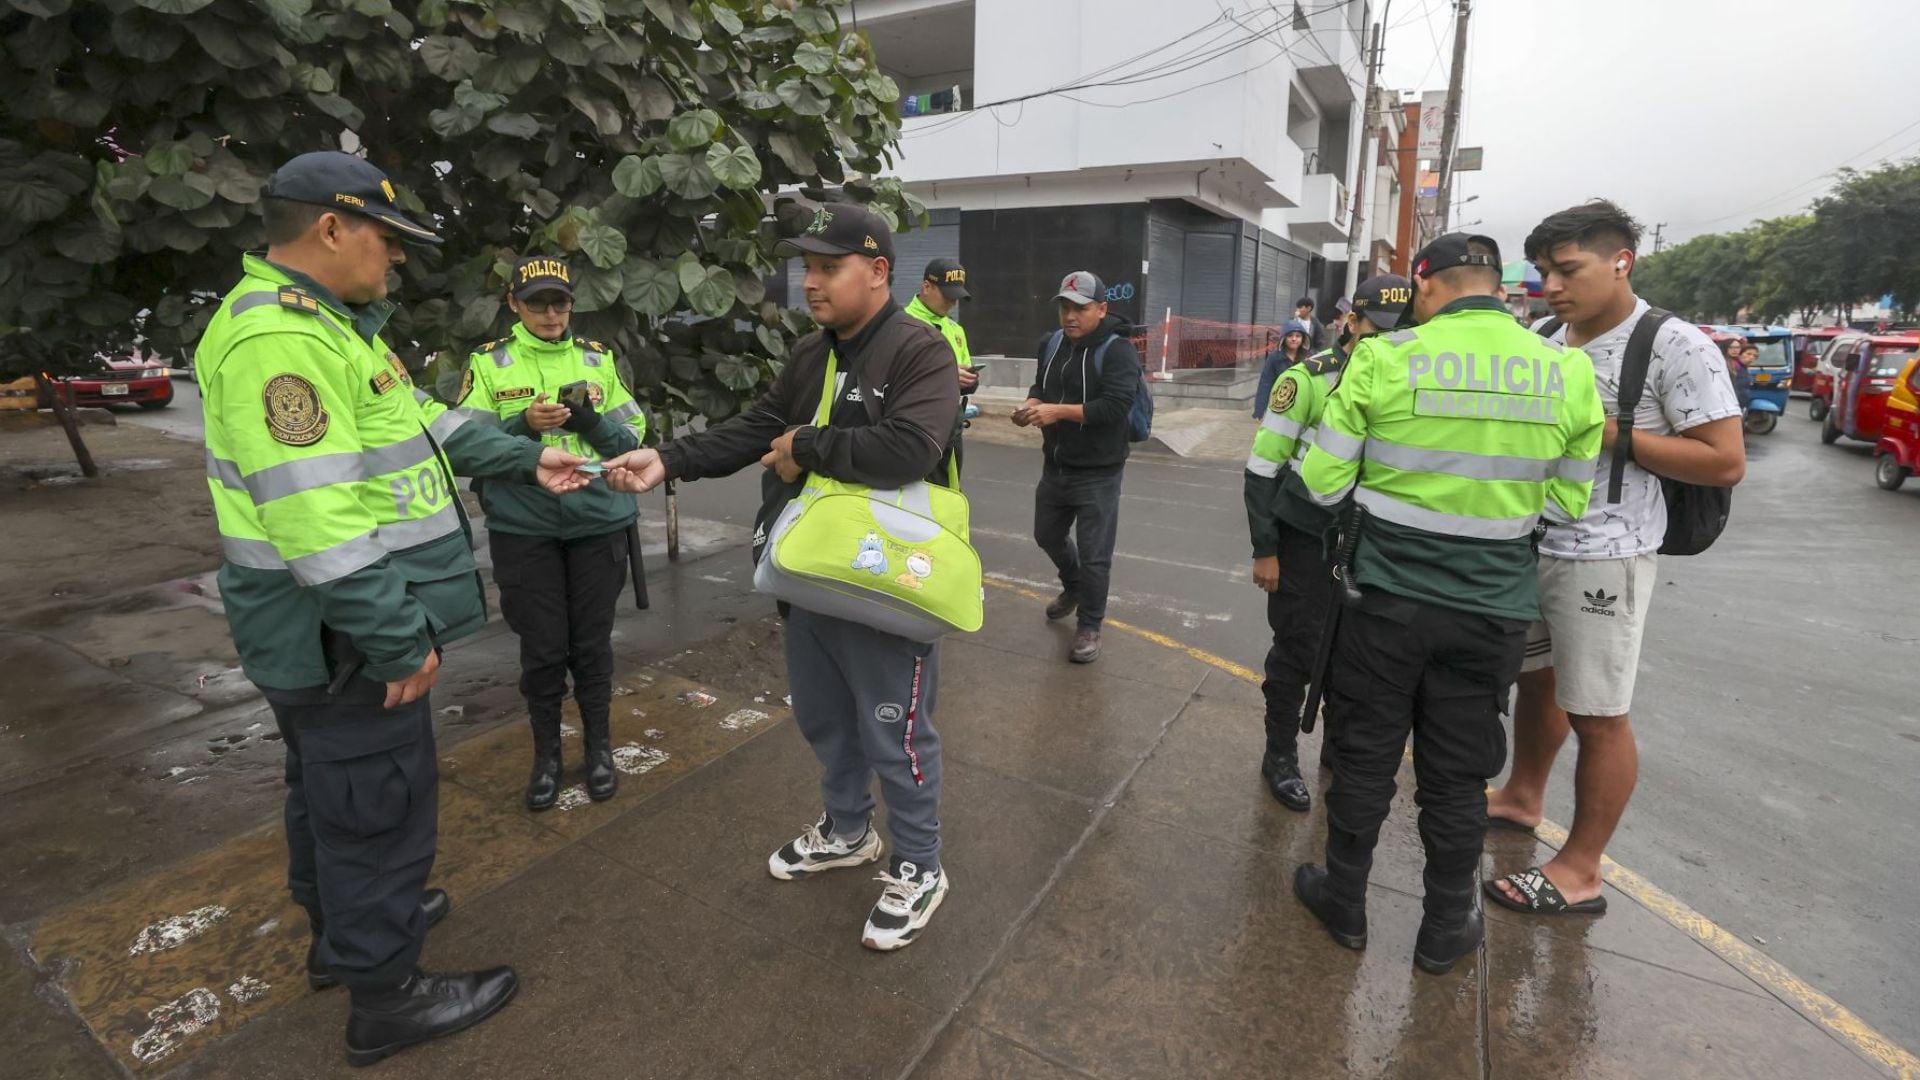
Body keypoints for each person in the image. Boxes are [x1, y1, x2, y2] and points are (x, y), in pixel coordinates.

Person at [195, 151, 592, 1064]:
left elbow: (426, 423)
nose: (398, 257)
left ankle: (346, 937)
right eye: (387, 236)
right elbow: (317, 519)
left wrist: (526, 456)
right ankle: (387, 993)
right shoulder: (280, 343)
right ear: (330, 229)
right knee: (378, 801)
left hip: (323, 636)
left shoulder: (333, 328)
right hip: (341, 634)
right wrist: (394, 639)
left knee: (329, 792)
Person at [601, 203, 960, 951]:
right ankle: (848, 830)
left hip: (888, 580)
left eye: (830, 267)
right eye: (809, 267)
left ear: (879, 272)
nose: (812, 281)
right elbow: (757, 429)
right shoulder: (810, 354)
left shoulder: (917, 350)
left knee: (897, 732)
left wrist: (809, 446)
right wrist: (669, 458)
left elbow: (911, 448)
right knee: (826, 717)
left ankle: (921, 866)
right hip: (809, 571)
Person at [1291, 233, 1606, 975]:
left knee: (1365, 756)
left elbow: (1322, 485)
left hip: (1384, 605)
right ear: (1496, 287)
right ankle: (1444, 926)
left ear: (1426, 286)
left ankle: (1345, 901)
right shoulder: (1567, 371)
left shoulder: (1382, 359)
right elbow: (1566, 509)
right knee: (1459, 773)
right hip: (1492, 611)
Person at [1485, 201, 1745, 917]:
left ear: (1620, 260)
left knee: (1599, 712)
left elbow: (1724, 462)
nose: (1551, 286)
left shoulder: (1674, 346)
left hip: (1607, 555)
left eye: (1567, 269)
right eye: (1543, 272)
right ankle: (1521, 796)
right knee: (1537, 686)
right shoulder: (1543, 335)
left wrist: (1607, 434)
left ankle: (1581, 869)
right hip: (1531, 543)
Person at [439, 256, 649, 811]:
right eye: (538, 303)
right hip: (522, 527)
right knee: (543, 647)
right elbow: (462, 441)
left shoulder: (598, 359)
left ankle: (599, 748)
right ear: (515, 304)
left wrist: (591, 423)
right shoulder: (489, 363)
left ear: (572, 306)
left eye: (560, 302)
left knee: (592, 644)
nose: (551, 313)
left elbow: (635, 432)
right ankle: (547, 755)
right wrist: (523, 425)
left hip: (598, 522)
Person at [1243, 276, 1411, 812]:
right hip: (1305, 541)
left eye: (1400, 330)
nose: (1385, 340)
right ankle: (1280, 754)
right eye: (1376, 329)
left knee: (1355, 659)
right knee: (1296, 652)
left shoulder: (1407, 380)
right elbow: (1262, 469)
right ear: (1350, 322)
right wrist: (1265, 548)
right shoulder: (1306, 380)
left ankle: (1337, 752)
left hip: (1371, 546)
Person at [1012, 270, 1143, 664]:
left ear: (1101, 309)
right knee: (1046, 535)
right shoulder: (1051, 344)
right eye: (1065, 308)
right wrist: (1032, 406)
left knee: (1095, 553)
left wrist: (1058, 413)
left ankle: (1090, 625)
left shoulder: (1119, 351)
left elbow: (1115, 407)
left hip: (1099, 472)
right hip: (1056, 467)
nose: (1070, 316)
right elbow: (1041, 387)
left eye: (1080, 309)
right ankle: (1074, 585)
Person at [905, 257, 978, 468]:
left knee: (950, 490)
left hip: (951, 425)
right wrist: (947, 375)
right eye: (947, 296)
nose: (953, 303)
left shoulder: (955, 329)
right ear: (926, 287)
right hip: (915, 424)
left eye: (957, 297)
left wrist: (970, 379)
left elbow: (966, 372)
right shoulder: (901, 324)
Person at [1252, 320, 1314, 420]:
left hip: (1303, 405)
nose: (1294, 339)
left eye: (1298, 336)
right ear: (1284, 338)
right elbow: (1265, 383)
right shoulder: (1274, 358)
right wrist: (1260, 410)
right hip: (1280, 405)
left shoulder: (1310, 357)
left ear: (1303, 339)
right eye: (1290, 336)